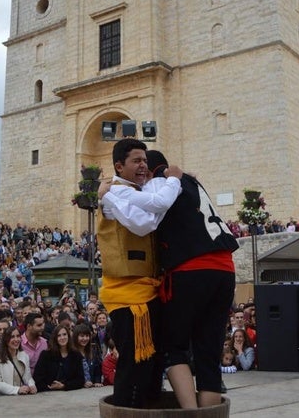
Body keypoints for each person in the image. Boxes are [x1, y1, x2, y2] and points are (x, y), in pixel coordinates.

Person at [119, 149, 238, 410]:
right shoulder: (192, 182)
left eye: (142, 169)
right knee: (209, 351)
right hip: (225, 269)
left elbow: (147, 217)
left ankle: (191, 414)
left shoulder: (158, 184)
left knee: (173, 347)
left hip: (190, 269)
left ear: (149, 170)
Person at [96, 138, 182, 407]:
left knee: (152, 361)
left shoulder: (135, 191)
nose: (143, 166)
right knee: (135, 361)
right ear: (119, 166)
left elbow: (152, 212)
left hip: (147, 290)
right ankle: (127, 411)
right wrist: (170, 188)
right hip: (127, 295)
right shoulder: (115, 193)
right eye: (137, 161)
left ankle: (147, 408)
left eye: (145, 160)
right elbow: (144, 224)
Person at [33, 324, 84, 391]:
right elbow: (37, 378)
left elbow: (80, 380)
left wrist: (64, 386)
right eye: (59, 335)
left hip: (70, 394)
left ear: (68, 336)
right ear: (55, 338)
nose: (62, 338)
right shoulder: (46, 355)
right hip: (48, 395)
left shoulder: (76, 355)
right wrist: (49, 387)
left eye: (64, 334)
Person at [0, 326, 37, 396]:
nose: (16, 339)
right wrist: (17, 390)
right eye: (12, 337)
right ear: (6, 339)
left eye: (18, 336)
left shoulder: (24, 355)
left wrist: (32, 385)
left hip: (18, 401)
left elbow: (27, 377)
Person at [72, 324, 102, 388]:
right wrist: (82, 383)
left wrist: (97, 382)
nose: (85, 338)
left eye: (87, 336)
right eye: (82, 336)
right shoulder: (72, 353)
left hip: (92, 389)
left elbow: (97, 370)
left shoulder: (93, 352)